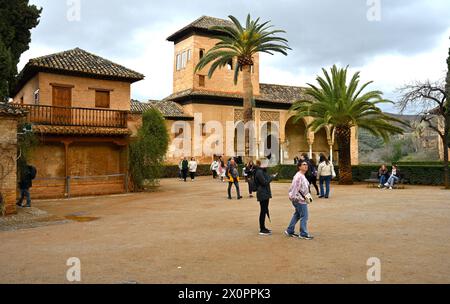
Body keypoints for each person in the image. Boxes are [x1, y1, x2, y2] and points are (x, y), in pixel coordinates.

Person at [285, 161, 314, 240]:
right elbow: (295, 188)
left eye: (306, 164)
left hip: (300, 198)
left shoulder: (301, 175)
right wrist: (294, 197)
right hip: (299, 199)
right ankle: (303, 233)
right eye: (304, 165)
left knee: (297, 214)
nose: (306, 166)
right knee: (304, 216)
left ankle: (289, 230)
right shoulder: (298, 176)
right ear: (299, 167)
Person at [254, 160, 277, 235]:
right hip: (262, 193)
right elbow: (264, 182)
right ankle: (262, 229)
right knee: (263, 211)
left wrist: (270, 176)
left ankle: (263, 227)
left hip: (265, 192)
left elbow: (266, 179)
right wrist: (272, 177)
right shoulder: (259, 172)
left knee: (264, 210)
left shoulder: (262, 171)